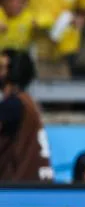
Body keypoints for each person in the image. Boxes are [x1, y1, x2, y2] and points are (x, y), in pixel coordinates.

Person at [0, 49, 53, 182]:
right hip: (38, 183)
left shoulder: (12, 106)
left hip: (20, 186)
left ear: (10, 72)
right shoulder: (28, 103)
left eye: (1, 67)